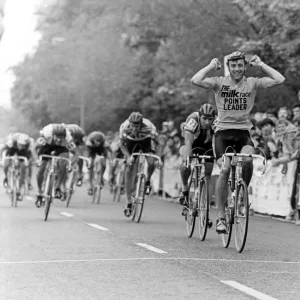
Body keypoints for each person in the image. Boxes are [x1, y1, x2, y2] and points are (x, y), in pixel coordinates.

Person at [191, 51, 285, 233]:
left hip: (243, 133)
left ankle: (242, 194)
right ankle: (220, 218)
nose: (237, 69)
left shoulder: (252, 83)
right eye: (233, 65)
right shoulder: (219, 82)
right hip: (222, 134)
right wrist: (211, 66)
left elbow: (279, 79)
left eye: (240, 65)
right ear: (229, 67)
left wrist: (261, 65)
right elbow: (195, 80)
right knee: (225, 168)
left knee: (249, 160)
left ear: (244, 67)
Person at [179, 104, 216, 225]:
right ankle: (185, 189)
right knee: (186, 165)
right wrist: (188, 158)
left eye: (210, 119)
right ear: (199, 117)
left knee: (208, 174)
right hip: (192, 142)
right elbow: (188, 142)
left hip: (207, 146)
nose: (207, 122)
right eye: (204, 119)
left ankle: (206, 211)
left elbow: (218, 142)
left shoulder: (217, 122)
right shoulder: (192, 120)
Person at [119, 112, 159, 217]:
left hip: (146, 142)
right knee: (129, 167)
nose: (134, 128)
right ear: (129, 123)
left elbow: (157, 142)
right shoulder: (124, 127)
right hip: (131, 143)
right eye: (132, 125)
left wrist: (158, 158)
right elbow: (122, 145)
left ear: (141, 124)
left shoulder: (149, 127)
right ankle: (128, 202)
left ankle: (147, 180)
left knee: (151, 162)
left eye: (137, 126)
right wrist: (128, 157)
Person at [33, 124, 78, 207]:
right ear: (53, 135)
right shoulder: (46, 135)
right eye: (57, 137)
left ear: (64, 137)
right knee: (41, 168)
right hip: (47, 146)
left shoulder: (68, 140)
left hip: (61, 148)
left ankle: (57, 187)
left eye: (61, 137)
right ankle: (39, 191)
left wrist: (70, 164)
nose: (59, 139)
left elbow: (76, 154)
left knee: (63, 163)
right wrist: (36, 160)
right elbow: (34, 149)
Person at [1, 133, 35, 200]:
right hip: (12, 151)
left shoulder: (28, 145)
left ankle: (19, 189)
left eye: (23, 145)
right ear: (17, 142)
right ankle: (6, 177)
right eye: (20, 145)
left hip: (23, 153)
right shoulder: (11, 142)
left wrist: (29, 161)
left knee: (23, 168)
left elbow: (32, 155)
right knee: (6, 164)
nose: (21, 147)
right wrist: (1, 158)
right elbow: (2, 150)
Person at [85, 131, 110, 195]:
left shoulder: (104, 142)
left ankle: (101, 178)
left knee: (104, 163)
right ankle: (90, 184)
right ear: (93, 140)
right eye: (96, 141)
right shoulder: (89, 142)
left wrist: (107, 158)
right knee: (90, 164)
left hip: (101, 150)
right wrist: (88, 160)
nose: (98, 143)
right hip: (92, 151)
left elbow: (107, 152)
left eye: (99, 141)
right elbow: (87, 153)